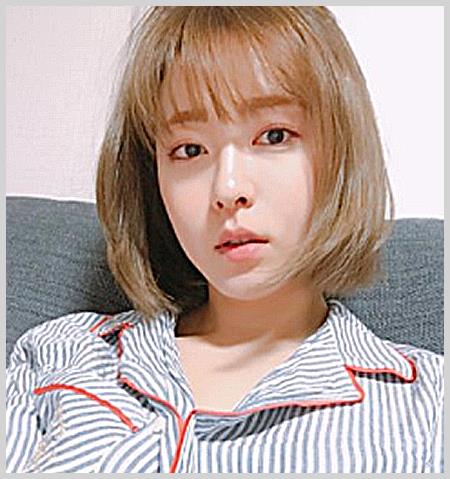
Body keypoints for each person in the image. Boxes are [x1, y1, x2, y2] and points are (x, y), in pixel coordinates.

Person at [6, 6, 443, 473]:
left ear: (340, 153)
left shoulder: (428, 408)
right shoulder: (57, 358)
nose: (228, 188)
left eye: (274, 136)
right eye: (190, 149)